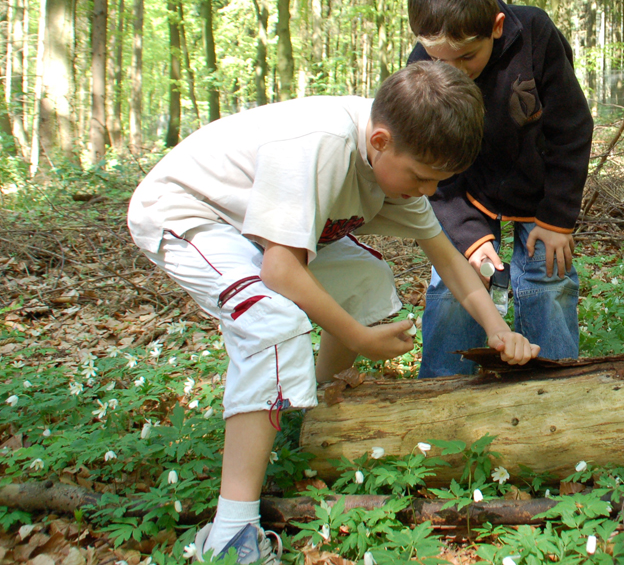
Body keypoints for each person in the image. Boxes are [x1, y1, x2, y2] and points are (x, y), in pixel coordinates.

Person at [127, 62, 540, 564]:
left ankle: (304, 417)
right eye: (423, 178)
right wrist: (360, 340)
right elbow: (281, 271)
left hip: (259, 228)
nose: (428, 192)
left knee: (367, 280)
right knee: (271, 322)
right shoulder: (320, 146)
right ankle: (232, 533)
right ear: (381, 141)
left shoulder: (397, 168)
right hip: (191, 212)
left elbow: (450, 260)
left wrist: (499, 330)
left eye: (440, 182)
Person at [406, 0, 594, 378]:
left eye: (466, 57)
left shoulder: (535, 34)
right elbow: (434, 164)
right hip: (467, 189)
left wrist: (557, 218)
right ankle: (442, 390)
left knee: (548, 274)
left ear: (495, 26)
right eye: (439, 60)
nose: (452, 72)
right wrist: (470, 235)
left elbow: (572, 128)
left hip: (537, 186)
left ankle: (557, 385)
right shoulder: (421, 67)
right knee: (457, 283)